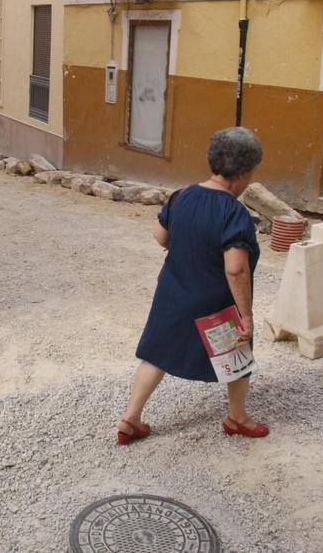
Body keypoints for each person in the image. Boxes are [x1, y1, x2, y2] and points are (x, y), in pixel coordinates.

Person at [117, 127, 267, 444]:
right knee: (238, 352)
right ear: (242, 174)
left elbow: (161, 237)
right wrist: (247, 315)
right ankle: (237, 417)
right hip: (215, 303)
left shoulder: (182, 195)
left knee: (156, 355)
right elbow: (236, 269)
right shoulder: (234, 213)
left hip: (173, 294)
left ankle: (131, 418)